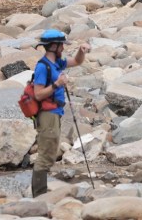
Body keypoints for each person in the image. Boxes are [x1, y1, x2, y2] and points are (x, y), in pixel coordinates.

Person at [31, 29, 89, 197]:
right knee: (46, 155)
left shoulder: (57, 62)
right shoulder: (43, 67)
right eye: (62, 45)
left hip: (55, 112)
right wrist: (57, 84)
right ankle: (39, 195)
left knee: (50, 152)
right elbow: (38, 94)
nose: (64, 48)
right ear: (54, 46)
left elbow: (77, 61)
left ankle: (40, 192)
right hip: (47, 115)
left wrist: (81, 51)